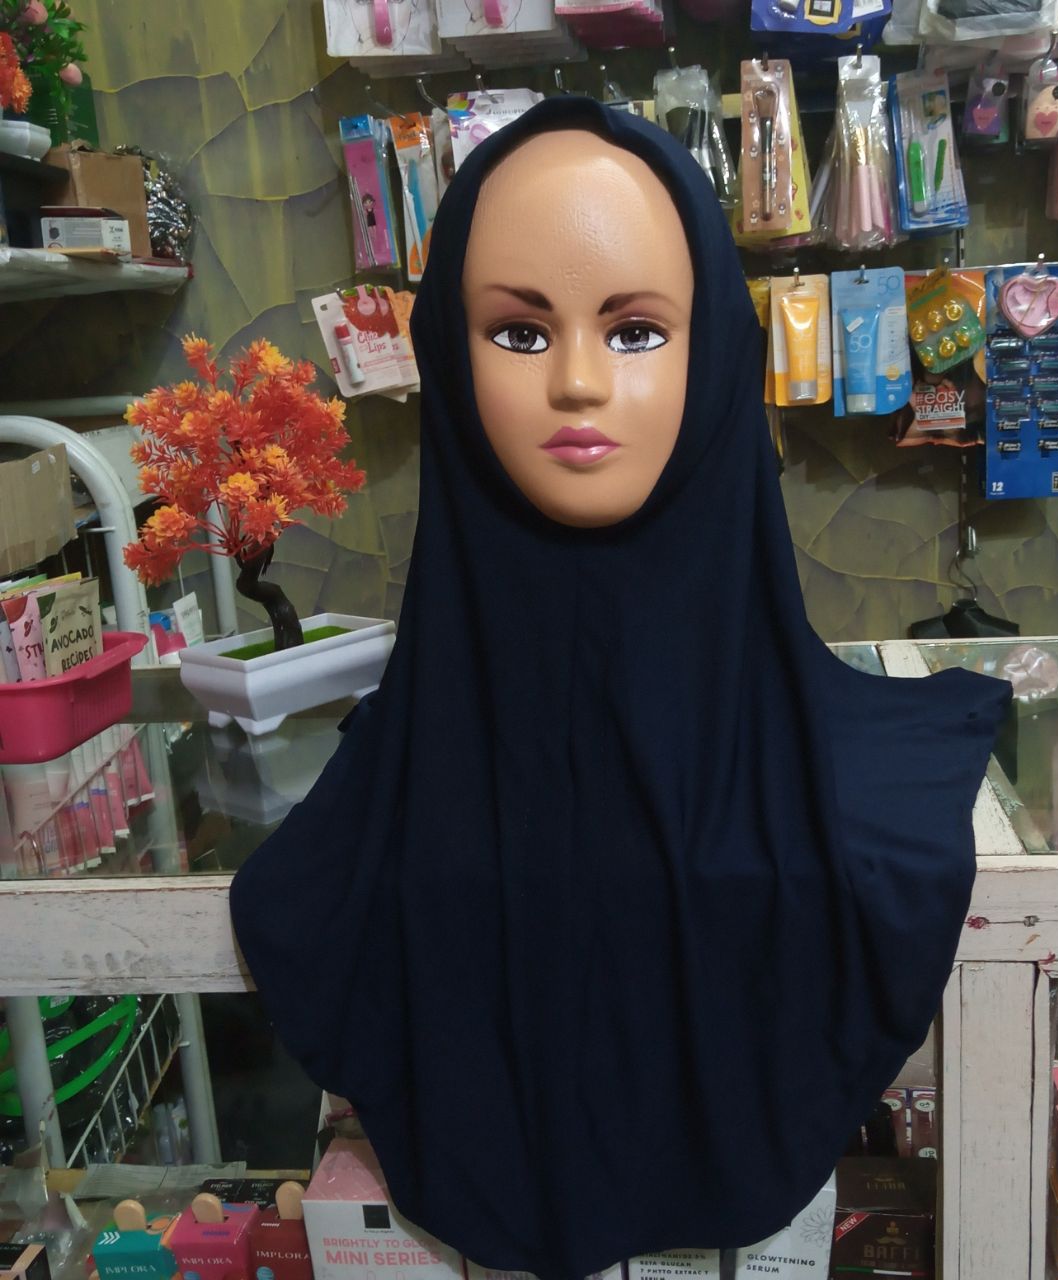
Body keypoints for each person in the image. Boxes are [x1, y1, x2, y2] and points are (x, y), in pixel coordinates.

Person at [230, 97, 1010, 1280]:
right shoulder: (414, 774)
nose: (578, 383)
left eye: (637, 329)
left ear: (715, 351)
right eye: (518, 332)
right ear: (448, 354)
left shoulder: (788, 774)